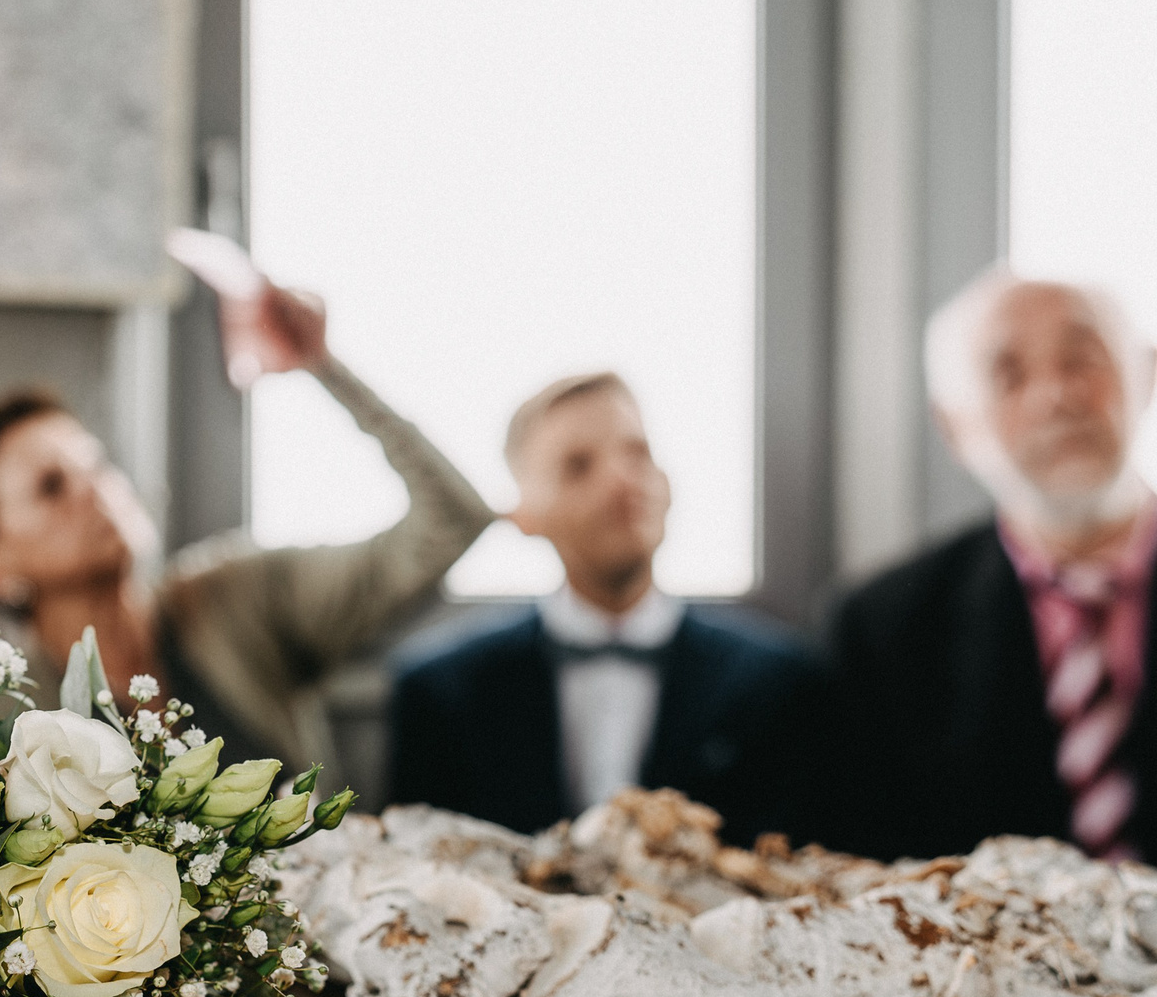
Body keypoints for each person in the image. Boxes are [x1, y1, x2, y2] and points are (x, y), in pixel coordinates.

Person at [0, 278, 492, 781]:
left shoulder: (236, 596)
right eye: (51, 486)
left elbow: (453, 521)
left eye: (96, 464)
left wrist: (321, 364)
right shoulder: (2, 717)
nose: (95, 488)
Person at [388, 372, 820, 843]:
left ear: (667, 484)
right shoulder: (441, 693)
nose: (622, 480)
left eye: (638, 453)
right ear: (523, 517)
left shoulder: (783, 683)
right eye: (578, 465)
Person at [826, 270, 1157, 861]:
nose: (1056, 395)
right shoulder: (884, 629)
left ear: (1147, 373)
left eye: (1082, 358)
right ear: (954, 426)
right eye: (1009, 374)